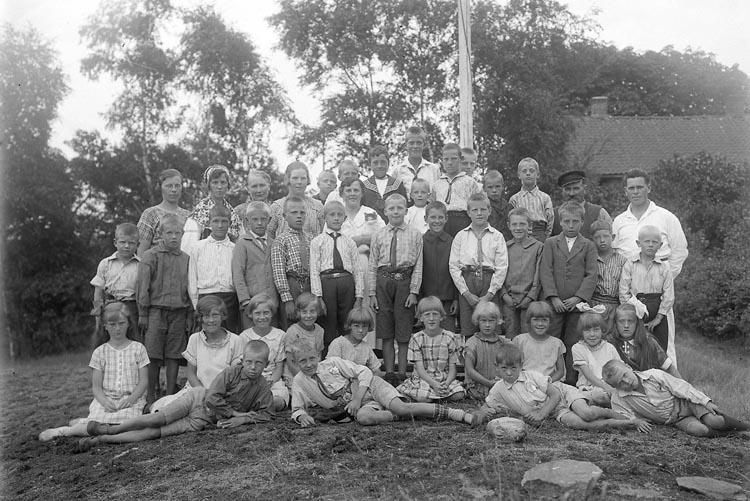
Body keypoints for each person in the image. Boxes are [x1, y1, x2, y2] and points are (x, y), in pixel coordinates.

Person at [76, 341, 275, 451]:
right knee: (155, 419)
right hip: (196, 399)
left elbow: (268, 414)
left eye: (258, 363)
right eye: (249, 362)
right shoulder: (232, 372)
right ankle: (111, 429)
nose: (253, 367)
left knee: (153, 434)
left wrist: (244, 420)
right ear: (243, 361)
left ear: (266, 364)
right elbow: (212, 397)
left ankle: (101, 439)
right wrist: (233, 413)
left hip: (201, 420)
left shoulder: (263, 388)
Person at [289, 340, 473, 427]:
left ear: (318, 356)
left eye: (312, 358)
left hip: (370, 386)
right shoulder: (299, 381)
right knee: (364, 418)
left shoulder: (333, 363)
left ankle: (454, 413)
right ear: (296, 363)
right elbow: (296, 408)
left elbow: (364, 371)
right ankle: (394, 416)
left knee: (403, 408)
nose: (309, 364)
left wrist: (356, 398)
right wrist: (300, 416)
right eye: (303, 361)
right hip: (362, 405)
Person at [471, 344, 648, 431]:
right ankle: (628, 424)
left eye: (513, 368)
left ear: (521, 365)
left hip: (563, 394)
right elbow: (487, 405)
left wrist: (541, 414)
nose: (509, 373)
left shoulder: (531, 376)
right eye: (504, 369)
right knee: (582, 425)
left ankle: (609, 412)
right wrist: (480, 414)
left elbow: (554, 394)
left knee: (587, 413)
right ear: (497, 368)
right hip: (556, 411)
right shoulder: (498, 389)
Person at [39, 302, 149, 442]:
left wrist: (131, 399)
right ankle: (65, 431)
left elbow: (144, 381)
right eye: (112, 325)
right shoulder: (100, 352)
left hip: (131, 401)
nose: (117, 329)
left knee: (131, 425)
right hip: (107, 400)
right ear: (105, 327)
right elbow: (96, 387)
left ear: (129, 324)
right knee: (94, 426)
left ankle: (84, 423)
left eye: (121, 323)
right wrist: (104, 402)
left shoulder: (139, 349)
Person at [612, 168, 688, 363]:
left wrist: (663, 278)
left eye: (640, 187)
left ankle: (671, 387)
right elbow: (615, 254)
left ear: (649, 188)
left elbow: (680, 251)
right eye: (631, 188)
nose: (635, 192)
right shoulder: (620, 221)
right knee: (631, 342)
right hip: (629, 293)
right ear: (625, 191)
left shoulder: (665, 217)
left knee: (663, 342)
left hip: (658, 292)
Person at [603, 359, 750, 437]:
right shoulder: (619, 398)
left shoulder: (654, 375)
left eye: (625, 376)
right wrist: (635, 421)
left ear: (628, 367)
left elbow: (681, 387)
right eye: (620, 383)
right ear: (615, 387)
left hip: (685, 403)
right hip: (675, 420)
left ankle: (744, 425)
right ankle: (736, 434)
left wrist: (705, 401)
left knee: (715, 420)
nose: (626, 382)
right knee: (699, 430)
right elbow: (622, 414)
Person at [135, 213, 192, 405]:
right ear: (160, 234)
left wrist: (190, 315)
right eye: (169, 233)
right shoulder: (150, 256)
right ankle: (150, 396)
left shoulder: (186, 258)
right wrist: (143, 313)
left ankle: (170, 395)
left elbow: (190, 288)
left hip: (179, 312)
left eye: (177, 233)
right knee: (153, 353)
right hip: (155, 312)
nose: (174, 237)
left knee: (174, 354)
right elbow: (142, 287)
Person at [540, 201, 597, 385]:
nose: (570, 226)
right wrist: (554, 297)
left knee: (573, 343)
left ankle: (570, 382)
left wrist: (578, 298)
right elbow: (546, 271)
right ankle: (549, 380)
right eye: (566, 221)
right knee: (552, 340)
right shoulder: (550, 243)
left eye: (575, 221)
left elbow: (591, 274)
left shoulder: (588, 245)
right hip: (554, 304)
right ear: (560, 222)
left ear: (582, 222)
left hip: (577, 305)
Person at [368, 193, 423, 384]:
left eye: (399, 208)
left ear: (406, 211)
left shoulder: (415, 234)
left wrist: (414, 291)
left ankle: (402, 373)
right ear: (385, 211)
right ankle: (389, 373)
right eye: (391, 208)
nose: (396, 211)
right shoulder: (379, 235)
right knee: (386, 330)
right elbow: (373, 265)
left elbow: (418, 265)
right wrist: (372, 293)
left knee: (403, 330)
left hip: (404, 282)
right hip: (383, 282)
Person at [449, 193, 508, 338]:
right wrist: (466, 293)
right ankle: (470, 357)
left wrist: (490, 294)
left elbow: (501, 267)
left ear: (489, 211)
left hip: (489, 283)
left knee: (490, 325)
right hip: (467, 282)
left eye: (483, 209)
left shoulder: (497, 236)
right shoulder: (461, 236)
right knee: (469, 328)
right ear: (468, 212)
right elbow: (454, 266)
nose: (479, 213)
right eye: (475, 210)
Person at [310, 201, 364, 349]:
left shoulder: (349, 242)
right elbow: (314, 270)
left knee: (346, 322)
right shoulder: (317, 242)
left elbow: (357, 270)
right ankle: (328, 360)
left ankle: (347, 358)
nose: (336, 218)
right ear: (324, 217)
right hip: (326, 283)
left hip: (346, 282)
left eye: (339, 215)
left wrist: (359, 297)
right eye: (332, 214)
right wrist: (318, 297)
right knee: (327, 322)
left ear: (345, 217)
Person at [396, 297, 465, 402]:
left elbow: (452, 367)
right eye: (427, 314)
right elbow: (420, 369)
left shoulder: (450, 337)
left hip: (443, 378)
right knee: (422, 397)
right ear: (421, 318)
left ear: (441, 317)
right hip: (424, 379)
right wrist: (434, 384)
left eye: (435, 314)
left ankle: (438, 394)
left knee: (459, 394)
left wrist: (445, 384)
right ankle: (435, 396)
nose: (431, 318)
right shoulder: (416, 338)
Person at [619, 225, 674, 351]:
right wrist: (632, 314)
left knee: (658, 348)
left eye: (655, 242)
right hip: (634, 308)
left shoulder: (664, 267)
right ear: (639, 243)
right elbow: (623, 292)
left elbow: (669, 296)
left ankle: (656, 370)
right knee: (635, 348)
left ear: (660, 245)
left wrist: (658, 318)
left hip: (657, 310)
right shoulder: (630, 264)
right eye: (647, 241)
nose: (650, 245)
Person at [188, 205, 239, 334]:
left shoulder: (235, 249)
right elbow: (192, 278)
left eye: (224, 221)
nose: (220, 225)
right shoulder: (198, 247)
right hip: (205, 296)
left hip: (229, 298)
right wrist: (196, 303)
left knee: (229, 335)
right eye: (216, 221)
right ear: (209, 223)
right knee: (207, 335)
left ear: (230, 223)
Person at [239, 294, 289, 411]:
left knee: (278, 401)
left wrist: (270, 382)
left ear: (272, 313)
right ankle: (257, 405)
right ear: (251, 314)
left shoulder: (280, 335)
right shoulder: (244, 337)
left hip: (272, 380)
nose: (262, 317)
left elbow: (279, 367)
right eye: (257, 313)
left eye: (266, 313)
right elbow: (242, 366)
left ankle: (259, 405)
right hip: (250, 380)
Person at [232, 201, 278, 330]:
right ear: (247, 221)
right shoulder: (242, 243)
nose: (259, 223)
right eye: (255, 219)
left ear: (269, 220)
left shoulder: (274, 243)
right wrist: (245, 300)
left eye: (263, 219)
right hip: (251, 302)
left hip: (271, 302)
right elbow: (238, 274)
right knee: (252, 339)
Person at [271, 196, 315, 329]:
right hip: (292, 285)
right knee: (290, 324)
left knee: (308, 322)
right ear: (285, 216)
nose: (299, 216)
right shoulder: (280, 241)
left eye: (302, 213)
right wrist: (287, 300)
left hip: (309, 285)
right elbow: (279, 272)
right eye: (294, 213)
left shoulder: (311, 239)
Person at [90, 223, 141, 335]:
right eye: (122, 242)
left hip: (132, 307)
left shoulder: (141, 265)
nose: (127, 246)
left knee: (132, 338)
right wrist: (98, 314)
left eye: (131, 243)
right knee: (108, 339)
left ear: (138, 244)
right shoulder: (105, 264)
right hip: (110, 306)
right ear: (115, 243)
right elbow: (98, 292)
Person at [500, 207, 543, 338]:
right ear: (509, 226)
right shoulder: (504, 247)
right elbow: (499, 273)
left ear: (529, 225)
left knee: (528, 336)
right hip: (509, 300)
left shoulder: (538, 247)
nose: (518, 228)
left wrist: (530, 297)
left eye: (522, 224)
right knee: (511, 335)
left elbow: (538, 276)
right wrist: (504, 295)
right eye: (514, 224)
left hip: (529, 300)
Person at [608, 304, 682, 378]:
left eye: (630, 321)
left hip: (648, 385)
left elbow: (669, 367)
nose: (626, 325)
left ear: (637, 323)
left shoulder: (649, 342)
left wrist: (685, 387)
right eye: (621, 321)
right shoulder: (611, 344)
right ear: (615, 323)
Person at [421, 201, 459, 331]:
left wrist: (455, 298)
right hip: (426, 298)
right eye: (433, 217)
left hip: (447, 298)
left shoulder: (452, 242)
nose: (437, 221)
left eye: (440, 217)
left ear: (446, 218)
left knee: (448, 334)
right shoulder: (420, 242)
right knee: (428, 335)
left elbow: (455, 271)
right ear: (425, 219)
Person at [136, 169, 190, 256]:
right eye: (169, 186)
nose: (173, 190)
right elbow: (141, 251)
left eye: (177, 186)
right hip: (157, 266)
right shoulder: (150, 214)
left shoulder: (188, 216)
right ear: (160, 187)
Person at [571, 311, 620, 406]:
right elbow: (588, 375)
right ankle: (614, 406)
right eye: (587, 330)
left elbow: (619, 368)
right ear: (581, 332)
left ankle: (615, 405)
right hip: (588, 388)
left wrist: (611, 387)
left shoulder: (609, 347)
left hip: (609, 386)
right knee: (589, 398)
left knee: (601, 396)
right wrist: (606, 387)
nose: (592, 334)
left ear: (602, 331)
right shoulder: (578, 348)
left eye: (596, 330)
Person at [434, 143, 481, 237]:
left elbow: (477, 207)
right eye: (446, 159)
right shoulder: (437, 184)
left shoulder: (470, 183)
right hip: (442, 223)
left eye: (454, 159)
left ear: (461, 159)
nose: (449, 162)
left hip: (463, 221)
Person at [589, 220, 628, 337]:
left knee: (614, 337)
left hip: (616, 305)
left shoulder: (622, 260)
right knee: (595, 334)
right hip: (595, 304)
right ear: (592, 239)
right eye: (597, 237)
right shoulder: (590, 259)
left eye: (606, 236)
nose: (602, 240)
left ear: (613, 237)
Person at [464, 301, 509, 400]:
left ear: (497, 321)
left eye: (491, 321)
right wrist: (488, 383)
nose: (487, 325)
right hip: (477, 387)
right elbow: (470, 370)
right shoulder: (472, 343)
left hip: (499, 384)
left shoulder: (504, 343)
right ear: (477, 321)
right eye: (483, 321)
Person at [267, 161, 325, 239]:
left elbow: (324, 234)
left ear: (307, 180)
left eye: (303, 178)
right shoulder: (276, 207)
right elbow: (269, 235)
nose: (299, 182)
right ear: (288, 179)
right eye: (295, 178)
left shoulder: (317, 206)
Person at [512, 301, 565, 382]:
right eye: (536, 320)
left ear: (550, 322)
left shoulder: (557, 343)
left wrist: (548, 382)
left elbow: (560, 371)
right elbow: (512, 366)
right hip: (524, 382)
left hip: (549, 383)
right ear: (529, 321)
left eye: (544, 320)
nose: (540, 324)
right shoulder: (519, 341)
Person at [551, 170, 611, 239]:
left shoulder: (599, 213)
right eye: (567, 189)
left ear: (584, 189)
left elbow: (610, 239)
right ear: (562, 191)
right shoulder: (552, 215)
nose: (571, 193)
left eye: (576, 189)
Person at [188, 164, 242, 241]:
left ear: (228, 185)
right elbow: (190, 242)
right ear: (209, 185)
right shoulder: (201, 209)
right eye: (215, 182)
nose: (219, 187)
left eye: (223, 182)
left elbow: (238, 239)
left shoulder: (231, 211)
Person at [509, 157, 554, 242]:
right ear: (519, 175)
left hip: (540, 235)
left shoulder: (545, 198)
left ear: (538, 174)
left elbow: (550, 219)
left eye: (531, 171)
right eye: (524, 171)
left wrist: (546, 237)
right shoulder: (514, 199)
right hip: (521, 235)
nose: (528, 174)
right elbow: (511, 219)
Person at [390, 125, 441, 197]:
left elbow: (438, 195)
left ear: (424, 145)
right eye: (411, 143)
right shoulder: (398, 171)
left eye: (419, 143)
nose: (415, 146)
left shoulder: (434, 169)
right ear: (405, 145)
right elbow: (395, 197)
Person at [362, 144, 408, 224]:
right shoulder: (364, 186)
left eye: (383, 162)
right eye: (375, 163)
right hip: (371, 228)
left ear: (388, 163)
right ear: (370, 165)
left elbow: (404, 207)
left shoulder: (397, 185)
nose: (379, 166)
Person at [326, 307, 381, 373]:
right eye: (356, 326)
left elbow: (376, 370)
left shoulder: (366, 347)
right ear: (349, 326)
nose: (360, 330)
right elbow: (329, 367)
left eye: (364, 326)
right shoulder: (338, 343)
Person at [283, 292, 325, 378]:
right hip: (296, 375)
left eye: (312, 311)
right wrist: (303, 379)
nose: (308, 316)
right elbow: (290, 363)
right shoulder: (292, 332)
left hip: (313, 372)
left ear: (318, 312)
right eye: (304, 312)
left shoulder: (320, 331)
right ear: (298, 313)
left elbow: (318, 356)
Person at [233, 169, 272, 234]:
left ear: (269, 186)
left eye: (262, 185)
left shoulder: (276, 209)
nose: (259, 190)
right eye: (254, 186)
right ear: (248, 189)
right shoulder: (238, 212)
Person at [484, 170, 513, 241]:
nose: (494, 190)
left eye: (497, 186)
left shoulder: (509, 207)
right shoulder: (482, 208)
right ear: (484, 188)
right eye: (490, 187)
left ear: (503, 187)